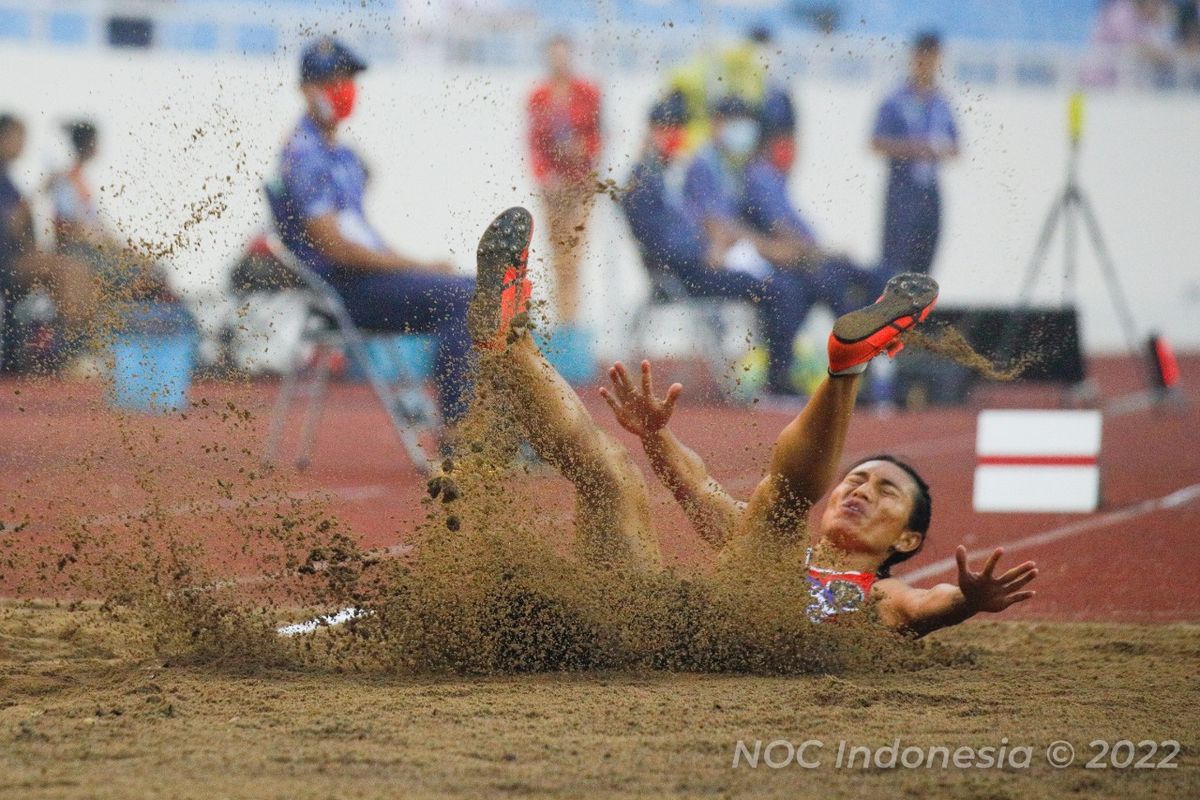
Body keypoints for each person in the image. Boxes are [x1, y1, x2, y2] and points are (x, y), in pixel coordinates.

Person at [466, 207, 1037, 634]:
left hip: (734, 644)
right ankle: (506, 345)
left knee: (779, 506)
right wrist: (656, 435)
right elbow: (694, 487)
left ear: (908, 538)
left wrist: (968, 601)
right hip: (639, 630)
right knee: (610, 472)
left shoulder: (879, 596)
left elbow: (927, 605)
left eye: (886, 492)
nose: (861, 490)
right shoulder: (760, 540)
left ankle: (846, 367)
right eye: (857, 479)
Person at [275, 37, 473, 424]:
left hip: (366, 280)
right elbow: (338, 248)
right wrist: (417, 267)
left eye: (348, 81)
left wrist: (415, 267)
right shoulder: (303, 156)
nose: (344, 91)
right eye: (333, 82)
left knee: (486, 295)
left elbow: (361, 235)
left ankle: (493, 429)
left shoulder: (340, 155)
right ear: (306, 90)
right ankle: (464, 435)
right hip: (347, 290)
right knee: (467, 300)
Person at [621, 97, 810, 397]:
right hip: (684, 275)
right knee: (777, 290)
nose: (674, 135)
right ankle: (778, 383)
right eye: (667, 128)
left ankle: (778, 374)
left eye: (678, 128)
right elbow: (658, 244)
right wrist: (706, 251)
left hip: (704, 264)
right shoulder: (641, 180)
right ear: (650, 131)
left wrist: (717, 244)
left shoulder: (672, 173)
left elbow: (696, 225)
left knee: (785, 283)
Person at [0, 113, 99, 362]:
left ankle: (75, 348)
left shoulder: (8, 178)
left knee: (78, 268)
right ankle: (71, 352)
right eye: (18, 136)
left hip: (17, 258)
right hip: (7, 263)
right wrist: (42, 190)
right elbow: (13, 223)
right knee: (69, 270)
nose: (23, 143)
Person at [48, 120, 172, 302]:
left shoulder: (79, 179)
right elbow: (72, 227)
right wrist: (113, 248)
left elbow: (95, 225)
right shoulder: (67, 180)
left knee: (152, 269)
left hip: (94, 249)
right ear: (88, 144)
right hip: (81, 253)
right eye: (96, 142)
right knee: (151, 274)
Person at [526, 34, 602, 326]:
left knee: (574, 253)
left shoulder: (587, 92)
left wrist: (583, 154)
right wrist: (545, 177)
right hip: (552, 186)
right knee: (557, 254)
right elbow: (534, 142)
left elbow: (597, 136)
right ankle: (563, 317)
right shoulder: (539, 96)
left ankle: (571, 316)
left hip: (579, 183)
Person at [871, 31, 959, 279]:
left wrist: (937, 150)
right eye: (924, 58)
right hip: (902, 189)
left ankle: (918, 317)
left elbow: (956, 146)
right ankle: (890, 316)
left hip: (929, 190)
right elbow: (876, 142)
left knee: (926, 262)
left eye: (934, 59)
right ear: (914, 58)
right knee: (894, 261)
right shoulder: (895, 99)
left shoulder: (941, 101)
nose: (928, 65)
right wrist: (913, 148)